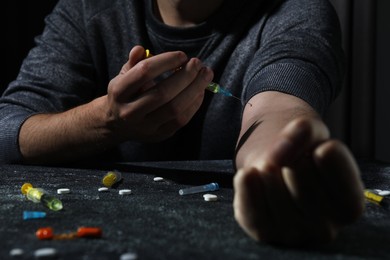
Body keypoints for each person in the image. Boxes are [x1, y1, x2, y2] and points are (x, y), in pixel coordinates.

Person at [0, 0, 364, 245]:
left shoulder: (296, 11)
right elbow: (8, 127)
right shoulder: (88, 10)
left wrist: (274, 165)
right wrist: (105, 120)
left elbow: (277, 108)